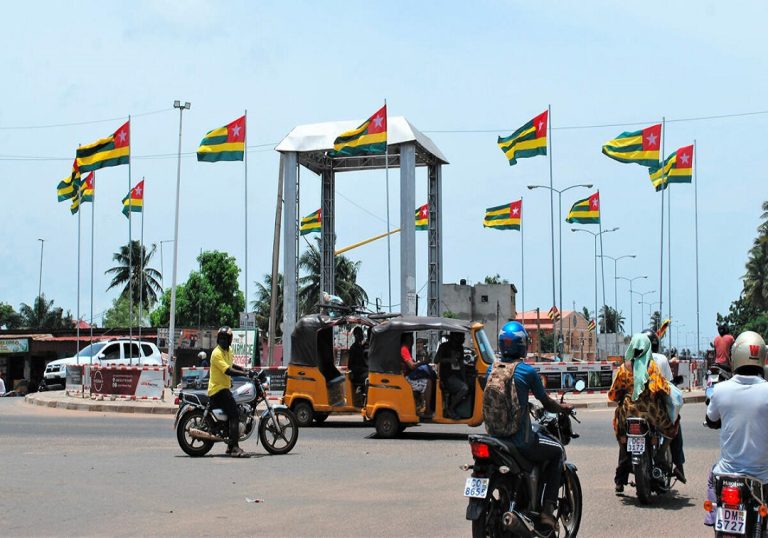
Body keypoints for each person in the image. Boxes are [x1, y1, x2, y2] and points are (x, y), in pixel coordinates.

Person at [485, 321, 573, 529]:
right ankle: (547, 512)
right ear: (522, 345)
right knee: (557, 451)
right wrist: (563, 407)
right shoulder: (527, 372)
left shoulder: (491, 369)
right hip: (520, 440)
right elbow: (547, 402)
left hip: (494, 438)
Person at [608, 333, 677, 493]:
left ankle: (621, 476)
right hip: (651, 413)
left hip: (628, 413)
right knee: (670, 429)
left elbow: (613, 393)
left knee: (621, 435)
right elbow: (662, 387)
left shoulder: (623, 369)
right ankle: (660, 455)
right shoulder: (651, 367)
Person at [706, 331, 768, 483]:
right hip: (763, 476)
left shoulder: (720, 389)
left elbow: (711, 420)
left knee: (711, 483)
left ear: (735, 357)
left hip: (727, 472)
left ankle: (715, 508)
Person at [642, 328, 686, 483]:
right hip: (657, 409)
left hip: (635, 409)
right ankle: (679, 466)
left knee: (624, 433)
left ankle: (620, 478)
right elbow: (668, 384)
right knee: (675, 425)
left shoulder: (633, 359)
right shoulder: (661, 359)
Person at [208, 326, 250, 458]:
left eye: (226, 338)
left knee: (234, 409)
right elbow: (228, 370)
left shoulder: (229, 351)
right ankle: (235, 448)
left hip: (225, 388)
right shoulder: (217, 353)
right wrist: (244, 374)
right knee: (234, 414)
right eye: (221, 338)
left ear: (230, 340)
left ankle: (229, 446)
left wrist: (246, 370)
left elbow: (232, 365)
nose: (223, 341)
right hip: (218, 389)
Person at [436, 332, 470, 420]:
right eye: (461, 337)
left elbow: (461, 364)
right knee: (464, 388)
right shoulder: (444, 346)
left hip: (457, 376)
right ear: (454, 337)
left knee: (470, 385)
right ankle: (450, 409)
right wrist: (449, 360)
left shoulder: (460, 348)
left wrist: (464, 379)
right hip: (447, 377)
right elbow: (436, 359)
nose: (463, 339)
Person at [401, 332, 433, 416]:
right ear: (407, 339)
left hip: (410, 375)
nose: (412, 340)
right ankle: (427, 410)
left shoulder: (407, 349)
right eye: (411, 338)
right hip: (406, 378)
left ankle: (422, 405)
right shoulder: (404, 349)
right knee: (428, 382)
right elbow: (411, 366)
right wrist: (423, 362)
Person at [348, 327, 368, 406]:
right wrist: (363, 369)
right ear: (356, 336)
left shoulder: (361, 347)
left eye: (362, 333)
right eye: (360, 334)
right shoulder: (353, 348)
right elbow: (350, 365)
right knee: (371, 377)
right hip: (357, 374)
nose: (362, 335)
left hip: (362, 371)